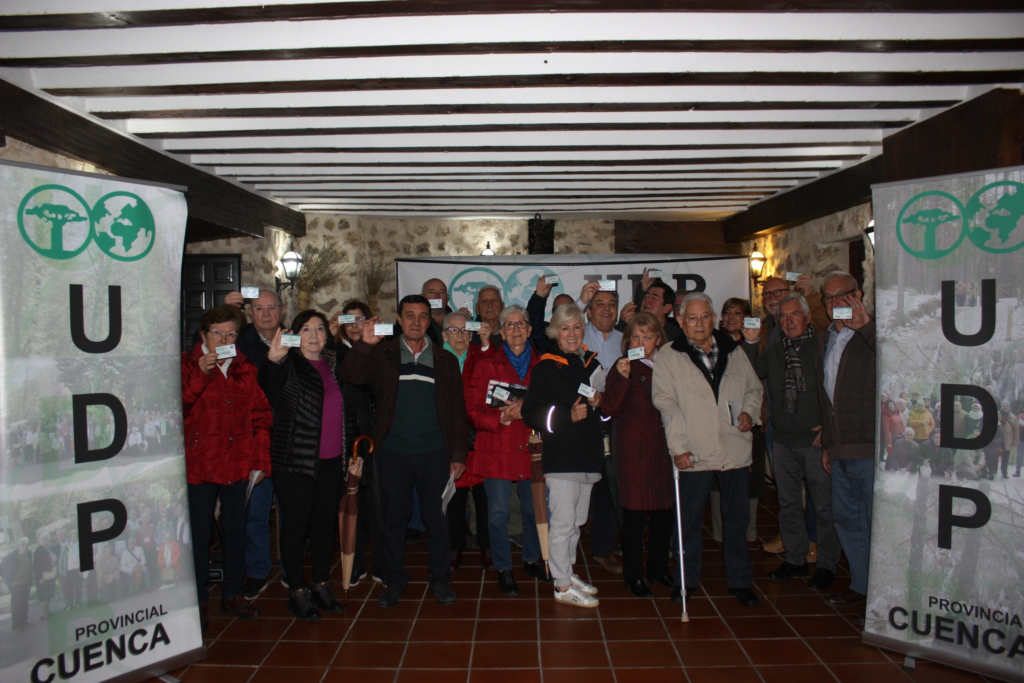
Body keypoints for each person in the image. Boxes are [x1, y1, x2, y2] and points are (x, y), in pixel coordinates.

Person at [341, 294, 470, 609]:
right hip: (393, 453)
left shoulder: (444, 360)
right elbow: (352, 375)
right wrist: (365, 344)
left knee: (437, 520)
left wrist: (458, 454)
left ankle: (440, 578)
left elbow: (457, 410)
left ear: (429, 322)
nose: (416, 321)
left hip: (435, 453)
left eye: (422, 316)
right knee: (393, 520)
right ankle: (394, 579)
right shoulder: (383, 354)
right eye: (409, 315)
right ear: (399, 320)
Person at [653, 292, 763, 607]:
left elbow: (754, 389)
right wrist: (678, 448)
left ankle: (740, 581)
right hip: (693, 451)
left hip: (733, 448)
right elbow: (666, 405)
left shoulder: (734, 350)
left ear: (714, 319)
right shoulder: (669, 355)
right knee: (687, 522)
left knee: (736, 520)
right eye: (692, 317)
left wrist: (749, 412)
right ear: (680, 321)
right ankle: (685, 581)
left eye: (705, 317)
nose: (699, 323)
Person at [259, 310, 359, 621]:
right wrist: (272, 360)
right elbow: (268, 385)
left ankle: (321, 584)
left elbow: (348, 410)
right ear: (294, 335)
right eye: (306, 329)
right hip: (296, 463)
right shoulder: (287, 363)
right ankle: (297, 591)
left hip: (332, 462)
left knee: (323, 526)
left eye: (319, 329)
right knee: (295, 527)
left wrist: (351, 455)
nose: (314, 335)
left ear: (328, 335)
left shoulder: (335, 364)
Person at [182, 304, 272, 629]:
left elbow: (261, 415)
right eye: (217, 333)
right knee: (199, 533)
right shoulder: (186, 364)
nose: (223, 340)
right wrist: (201, 373)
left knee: (236, 530)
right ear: (204, 335)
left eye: (230, 334)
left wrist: (259, 461)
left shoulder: (244, 367)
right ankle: (197, 599)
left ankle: (233, 593)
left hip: (237, 464)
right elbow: (178, 406)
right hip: (200, 465)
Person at [742, 293, 838, 592]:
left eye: (794, 314)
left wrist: (830, 425)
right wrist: (749, 343)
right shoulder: (774, 351)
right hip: (783, 440)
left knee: (823, 508)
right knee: (788, 504)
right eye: (783, 316)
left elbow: (837, 388)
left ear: (807, 317)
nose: (789, 320)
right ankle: (796, 559)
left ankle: (827, 565)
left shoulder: (823, 347)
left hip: (815, 442)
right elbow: (749, 373)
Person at [522, 304, 605, 608]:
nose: (571, 334)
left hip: (588, 454)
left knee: (577, 522)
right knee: (563, 523)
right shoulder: (546, 368)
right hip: (562, 458)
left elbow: (604, 413)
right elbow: (530, 413)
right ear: (555, 333)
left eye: (577, 327)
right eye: (565, 328)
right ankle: (562, 585)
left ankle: (567, 573)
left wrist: (600, 403)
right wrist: (565, 416)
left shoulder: (592, 364)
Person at [466, 305, 547, 596]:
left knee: (533, 509)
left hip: (531, 447)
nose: (515, 329)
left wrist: (535, 414)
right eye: (509, 325)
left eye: (520, 323)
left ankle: (532, 559)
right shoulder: (486, 365)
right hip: (496, 447)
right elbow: (472, 411)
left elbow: (553, 407)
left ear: (530, 329)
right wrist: (502, 417)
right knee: (497, 513)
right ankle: (503, 567)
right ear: (500, 331)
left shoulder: (544, 366)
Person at [815, 271, 876, 612]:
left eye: (842, 295)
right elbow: (828, 397)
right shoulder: (827, 340)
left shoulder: (874, 332)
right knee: (847, 520)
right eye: (829, 297)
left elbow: (900, 368)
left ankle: (882, 594)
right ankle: (861, 585)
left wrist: (866, 327)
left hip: (870, 447)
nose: (835, 302)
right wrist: (828, 442)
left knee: (875, 522)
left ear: (859, 295)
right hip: (839, 448)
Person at [602, 313, 674, 597]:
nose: (641, 342)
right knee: (633, 515)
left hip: (664, 450)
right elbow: (609, 408)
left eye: (647, 336)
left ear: (659, 340)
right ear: (627, 341)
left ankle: (658, 568)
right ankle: (633, 575)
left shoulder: (669, 365)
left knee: (664, 512)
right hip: (634, 451)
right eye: (635, 336)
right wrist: (622, 378)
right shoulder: (623, 366)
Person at [442, 310, 495, 575]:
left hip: (479, 436)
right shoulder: (435, 359)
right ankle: (454, 546)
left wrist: (485, 344)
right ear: (444, 335)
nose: (460, 335)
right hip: (448, 437)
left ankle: (487, 546)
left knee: (485, 499)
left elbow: (494, 375)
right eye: (453, 330)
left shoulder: (480, 354)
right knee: (454, 499)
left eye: (465, 329)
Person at [581, 282, 624, 575]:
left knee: (611, 485)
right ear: (589, 310)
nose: (606, 309)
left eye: (611, 304)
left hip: (617, 419)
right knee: (582, 484)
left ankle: (602, 549)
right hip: (583, 418)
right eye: (599, 303)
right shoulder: (577, 334)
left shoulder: (627, 339)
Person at [715, 297, 763, 549]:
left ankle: (747, 535)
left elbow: (755, 379)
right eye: (727, 312)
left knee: (748, 480)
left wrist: (751, 344)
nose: (731, 317)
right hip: (718, 422)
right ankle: (720, 535)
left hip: (749, 419)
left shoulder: (757, 343)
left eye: (737, 313)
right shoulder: (712, 344)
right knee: (719, 479)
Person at [617, 269, 682, 341]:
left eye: (654, 298)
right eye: (646, 296)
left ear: (667, 308)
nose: (647, 300)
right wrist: (623, 324)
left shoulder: (676, 336)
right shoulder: (630, 328)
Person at [526, 275, 579, 353]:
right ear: (553, 315)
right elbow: (534, 323)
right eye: (559, 310)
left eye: (569, 309)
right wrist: (539, 297)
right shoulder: (547, 339)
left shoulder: (583, 334)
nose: (564, 313)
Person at [1, 537, 34, 632]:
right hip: (16, 584)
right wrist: (9, 580)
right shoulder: (11, 556)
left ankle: (23, 621)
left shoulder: (29, 553)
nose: (24, 546)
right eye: (22, 544)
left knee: (24, 603)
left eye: (26, 544)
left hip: (26, 583)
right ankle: (16, 626)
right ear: (18, 546)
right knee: (17, 605)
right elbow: (2, 568)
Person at [58, 530, 83, 610]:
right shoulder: (66, 547)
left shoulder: (81, 544)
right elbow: (61, 560)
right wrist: (61, 571)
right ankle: (69, 604)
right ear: (70, 537)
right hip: (68, 571)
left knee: (78, 587)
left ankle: (78, 603)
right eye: (72, 536)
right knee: (69, 588)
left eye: (75, 535)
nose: (74, 537)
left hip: (78, 570)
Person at [999, 401, 1019, 479]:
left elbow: (1016, 430)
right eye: (1003, 405)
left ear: (1009, 407)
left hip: (1007, 439)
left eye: (1006, 406)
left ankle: (1004, 472)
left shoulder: (1013, 417)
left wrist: (1015, 441)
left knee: (1005, 457)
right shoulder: (997, 414)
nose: (1005, 407)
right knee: (994, 456)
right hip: (997, 439)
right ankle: (992, 471)